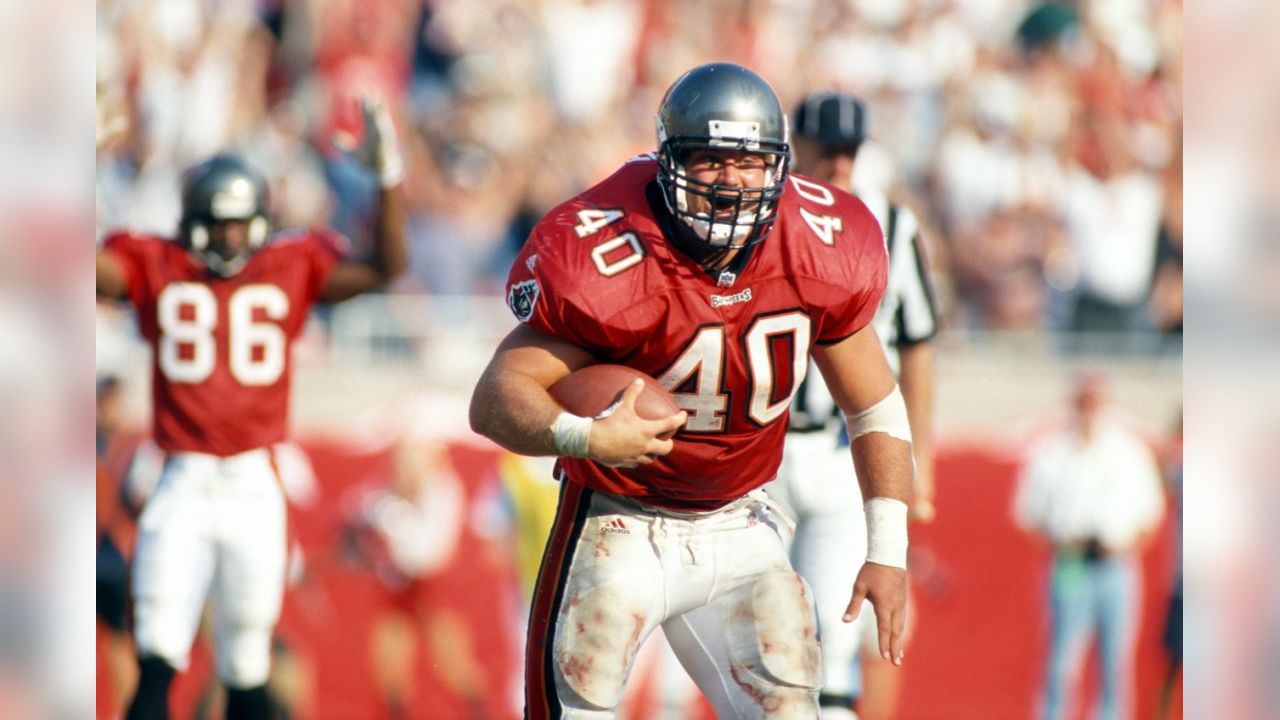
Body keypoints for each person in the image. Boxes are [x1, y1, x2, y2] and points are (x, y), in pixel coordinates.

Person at [469, 62, 914, 718]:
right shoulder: (606, 246)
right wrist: (586, 436)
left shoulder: (820, 243)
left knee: (793, 711)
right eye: (708, 161)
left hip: (740, 522)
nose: (731, 183)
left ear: (780, 167)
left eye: (749, 164)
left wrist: (889, 549)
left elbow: (873, 403)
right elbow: (495, 396)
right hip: (619, 520)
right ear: (668, 160)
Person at [95, 97, 407, 720]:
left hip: (251, 481)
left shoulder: (286, 265)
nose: (231, 237)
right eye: (219, 222)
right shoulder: (159, 263)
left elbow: (384, 267)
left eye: (241, 223)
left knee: (246, 663)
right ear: (192, 220)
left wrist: (387, 181)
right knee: (157, 655)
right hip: (181, 475)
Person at [764, 92, 940, 720]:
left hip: (848, 448)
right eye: (825, 149)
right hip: (767, 448)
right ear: (796, 147)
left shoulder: (890, 225)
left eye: (849, 151)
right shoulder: (759, 217)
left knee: (833, 637)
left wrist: (921, 459)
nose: (838, 163)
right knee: (752, 629)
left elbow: (918, 345)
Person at [1014, 372, 1166, 720]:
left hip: (1116, 564)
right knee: (1061, 659)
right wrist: (1060, 542)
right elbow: (1027, 515)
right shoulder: (1051, 453)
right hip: (1071, 563)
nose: (1089, 411)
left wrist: (1125, 545)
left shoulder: (1128, 452)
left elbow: (1151, 514)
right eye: (1083, 403)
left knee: (1115, 659)